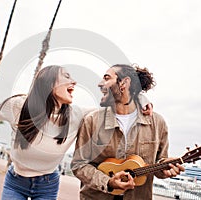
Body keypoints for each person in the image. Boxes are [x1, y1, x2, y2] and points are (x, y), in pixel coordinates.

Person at [0, 65, 152, 200]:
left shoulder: (76, 114)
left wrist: (141, 99)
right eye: (66, 77)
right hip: (15, 181)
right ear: (48, 83)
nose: (73, 81)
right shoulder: (20, 106)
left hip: (47, 184)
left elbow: (117, 106)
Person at [71, 64, 185, 200]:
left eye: (107, 78)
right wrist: (107, 182)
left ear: (124, 83)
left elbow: (159, 164)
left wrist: (166, 167)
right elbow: (79, 165)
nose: (100, 84)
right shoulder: (91, 121)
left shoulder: (158, 123)